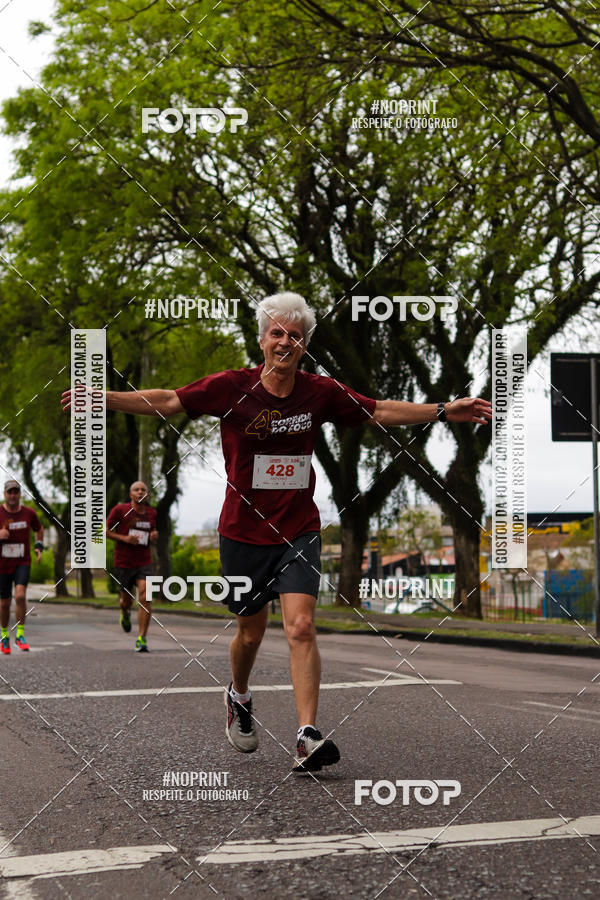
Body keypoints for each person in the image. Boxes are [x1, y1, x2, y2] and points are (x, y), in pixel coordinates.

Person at [62, 292, 491, 770]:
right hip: (242, 532)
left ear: (304, 344)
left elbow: (377, 411)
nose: (285, 342)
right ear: (262, 340)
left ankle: (306, 735)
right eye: (277, 333)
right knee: (250, 633)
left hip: (299, 529)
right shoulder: (231, 388)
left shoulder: (320, 392)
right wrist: (104, 399)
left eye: (295, 335)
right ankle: (239, 695)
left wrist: (441, 409)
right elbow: (168, 399)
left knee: (302, 626)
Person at [106, 481, 158, 652]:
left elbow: (152, 531)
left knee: (145, 597)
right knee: (126, 601)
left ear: (147, 494)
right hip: (124, 562)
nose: (140, 491)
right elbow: (105, 531)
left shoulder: (151, 513)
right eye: (136, 489)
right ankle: (125, 613)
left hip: (144, 561)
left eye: (143, 489)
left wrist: (153, 535)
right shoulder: (120, 510)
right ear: (131, 494)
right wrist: (125, 539)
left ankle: (142, 638)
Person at [0, 480, 44, 654]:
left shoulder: (29, 513)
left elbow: (39, 529)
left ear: (20, 494)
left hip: (22, 562)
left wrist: (38, 546)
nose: (13, 495)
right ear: (5, 494)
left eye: (16, 492)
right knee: (4, 603)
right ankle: (4, 636)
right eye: (10, 492)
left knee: (20, 596)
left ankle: (20, 634)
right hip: (2, 563)